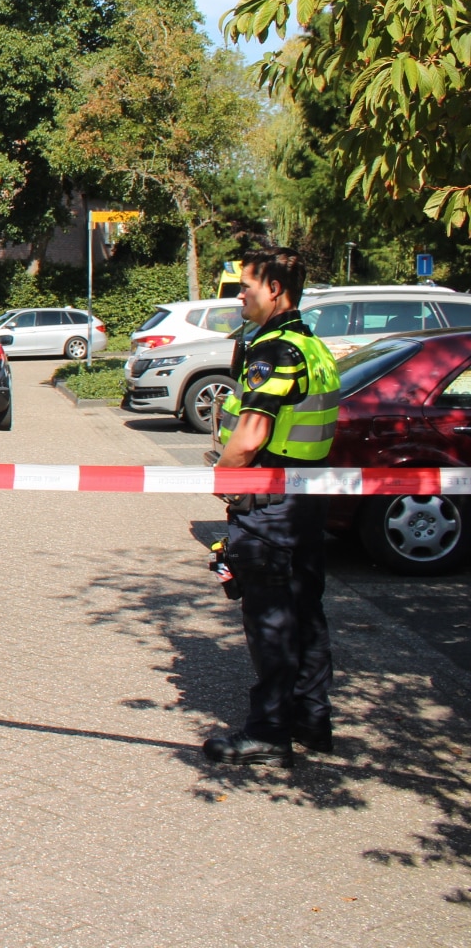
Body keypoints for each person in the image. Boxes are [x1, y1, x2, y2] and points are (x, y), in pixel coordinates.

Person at [203, 246, 340, 768]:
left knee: (270, 619)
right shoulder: (313, 347)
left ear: (275, 290)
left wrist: (225, 480)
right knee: (306, 610)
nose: (239, 295)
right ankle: (311, 717)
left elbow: (251, 434)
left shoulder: (274, 351)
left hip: (269, 506)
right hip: (305, 500)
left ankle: (269, 731)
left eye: (246, 286)